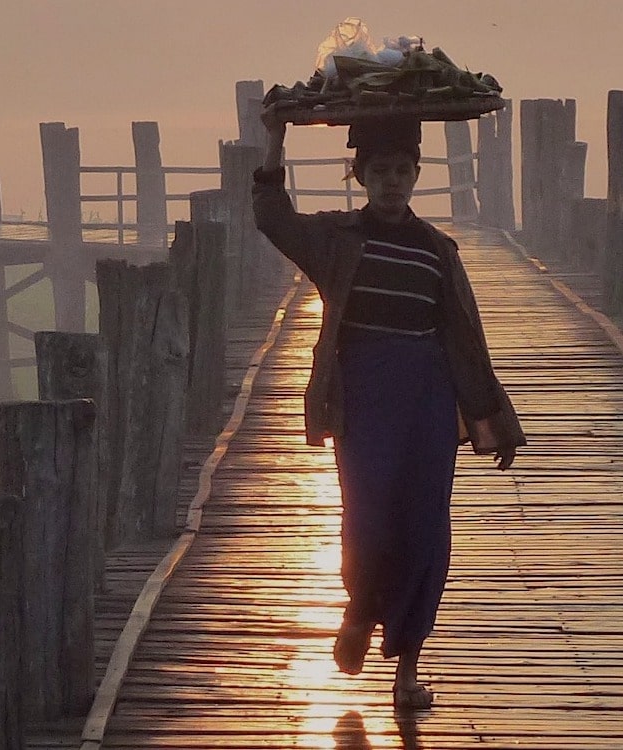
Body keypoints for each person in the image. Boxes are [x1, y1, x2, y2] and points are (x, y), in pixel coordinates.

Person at [252, 105, 526, 710]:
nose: (392, 181)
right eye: (380, 171)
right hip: (363, 401)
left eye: (403, 169)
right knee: (368, 520)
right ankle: (360, 611)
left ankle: (406, 675)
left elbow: (465, 340)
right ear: (360, 177)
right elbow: (272, 218)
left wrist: (494, 420)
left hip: (427, 401)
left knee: (424, 532)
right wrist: (276, 139)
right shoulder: (335, 242)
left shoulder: (437, 250)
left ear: (417, 173)